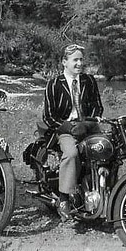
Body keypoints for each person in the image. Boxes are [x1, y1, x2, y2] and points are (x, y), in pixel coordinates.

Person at [42, 43, 104, 221]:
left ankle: (104, 189)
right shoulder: (54, 84)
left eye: (81, 60)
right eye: (75, 60)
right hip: (65, 129)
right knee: (71, 153)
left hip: (88, 126)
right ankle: (64, 198)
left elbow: (98, 107)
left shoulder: (89, 80)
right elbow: (48, 116)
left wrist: (87, 123)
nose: (79, 63)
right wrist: (68, 127)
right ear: (64, 62)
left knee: (106, 149)